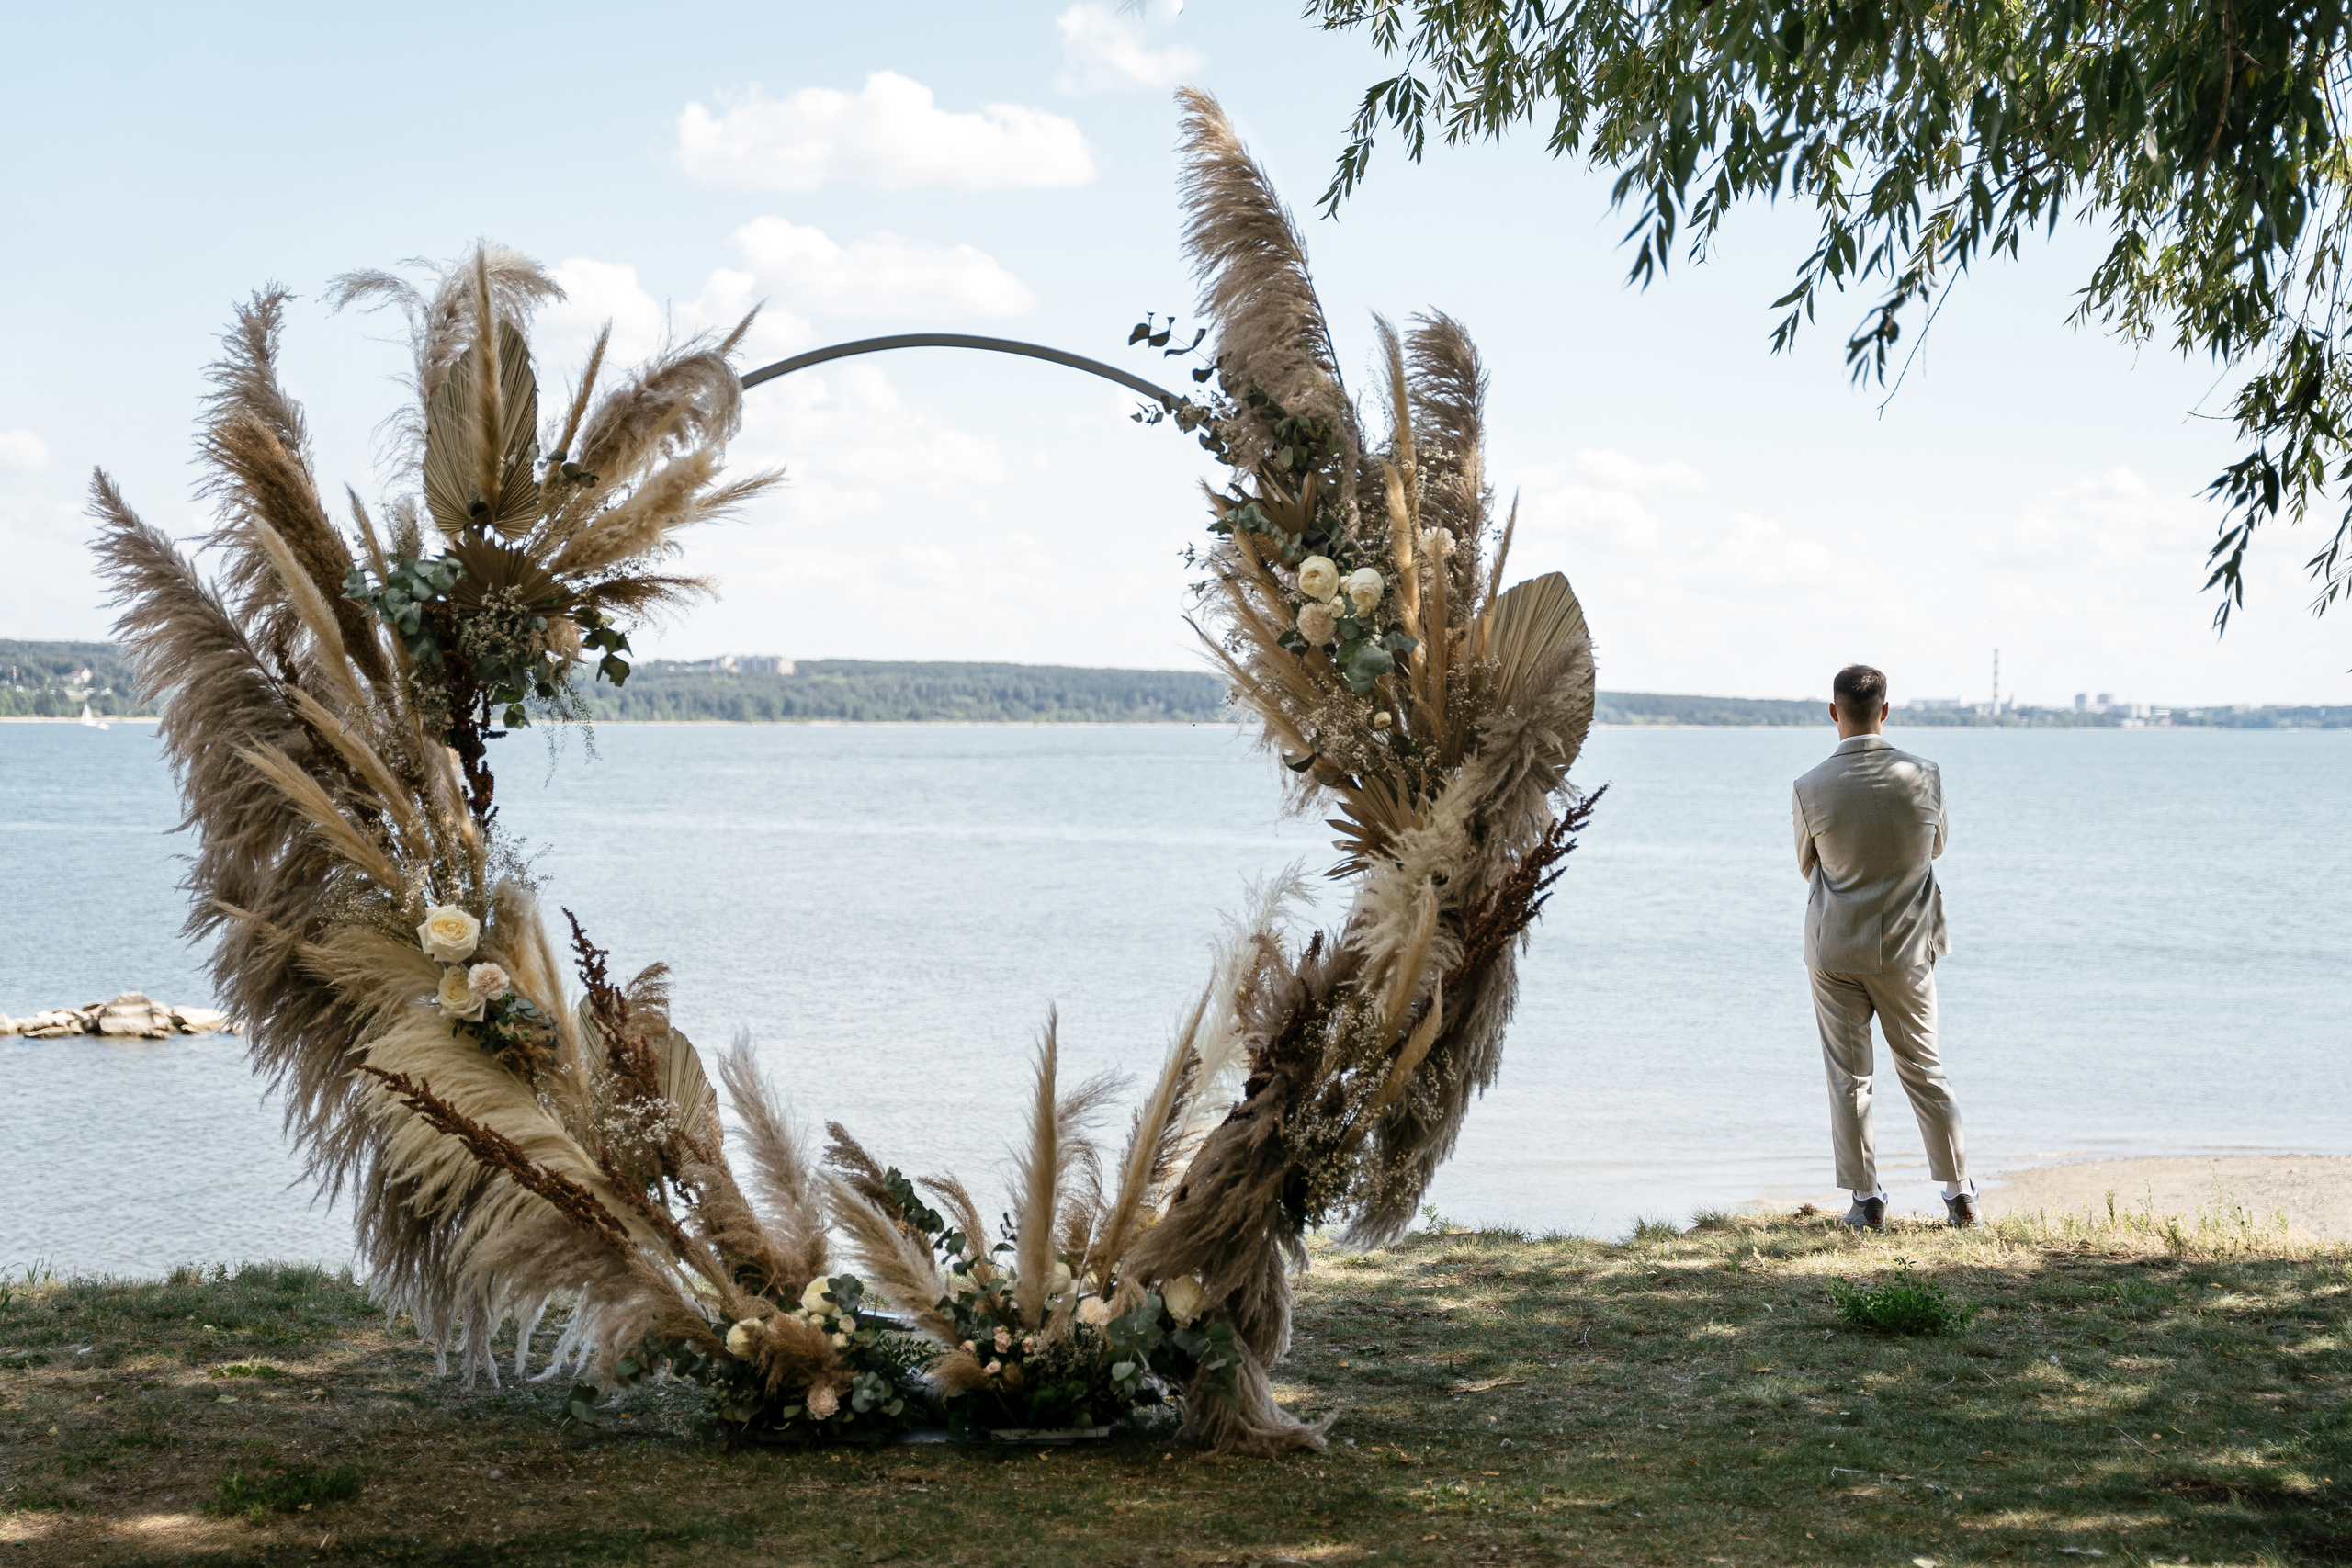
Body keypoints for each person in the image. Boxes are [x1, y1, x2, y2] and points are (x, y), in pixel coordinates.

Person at [1792, 665, 1975, 1230]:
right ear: (1885, 710)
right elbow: (1937, 846)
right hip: (1907, 949)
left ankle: (1867, 1200)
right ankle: (1958, 1194)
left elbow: (1807, 866)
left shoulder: (1809, 786)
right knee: (1925, 1069)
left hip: (1836, 951)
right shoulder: (1925, 774)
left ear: (1834, 712)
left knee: (1850, 1079)